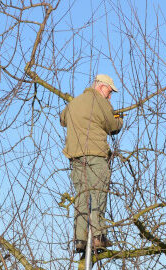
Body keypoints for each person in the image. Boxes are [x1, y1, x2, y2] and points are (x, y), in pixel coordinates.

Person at [59, 74, 123, 253]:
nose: (110, 96)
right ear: (101, 87)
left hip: (75, 156)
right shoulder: (102, 103)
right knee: (98, 194)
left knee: (81, 196)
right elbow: (114, 126)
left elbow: (62, 119)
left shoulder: (73, 104)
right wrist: (118, 114)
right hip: (96, 155)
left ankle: (80, 239)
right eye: (110, 92)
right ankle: (98, 236)